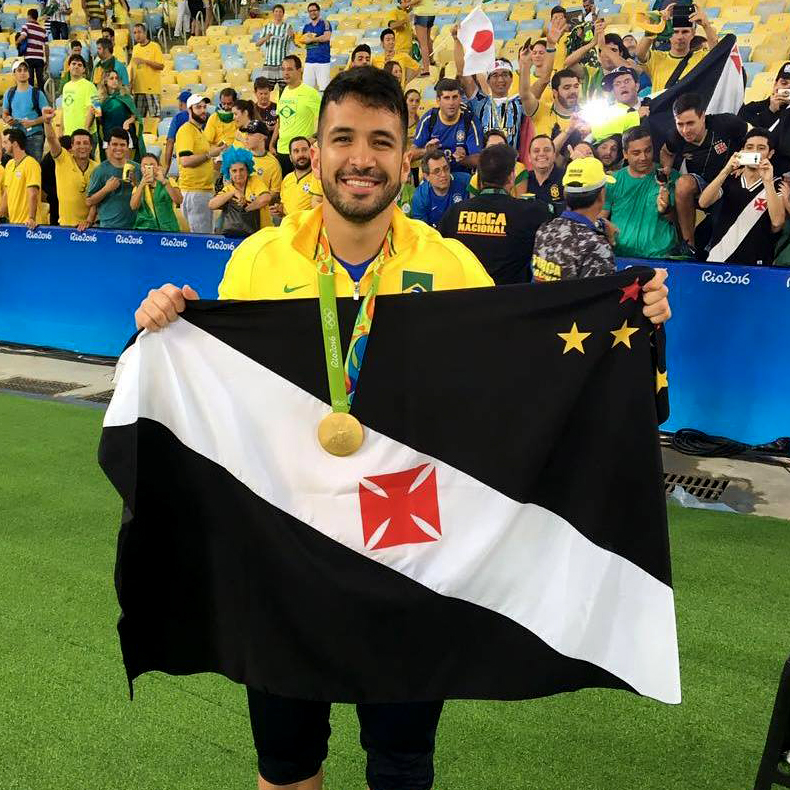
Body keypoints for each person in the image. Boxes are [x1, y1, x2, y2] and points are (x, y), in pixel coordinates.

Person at [132, 66, 671, 790]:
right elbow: (223, 401)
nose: (362, 158)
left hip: (411, 555)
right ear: (315, 152)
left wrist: (628, 319)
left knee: (401, 762)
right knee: (287, 766)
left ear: (405, 157)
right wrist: (165, 326)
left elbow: (512, 389)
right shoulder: (259, 260)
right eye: (344, 138)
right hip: (285, 549)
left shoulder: (450, 265)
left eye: (381, 141)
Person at [439, 144, 552, 283]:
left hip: (466, 298)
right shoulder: (530, 212)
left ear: (479, 178)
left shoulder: (454, 213)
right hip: (512, 300)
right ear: (511, 177)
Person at [661, 92, 749, 255]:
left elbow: (754, 136)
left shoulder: (726, 123)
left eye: (690, 123)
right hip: (702, 183)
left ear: (703, 116)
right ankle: (689, 246)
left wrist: (746, 163)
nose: (685, 130)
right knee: (683, 184)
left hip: (731, 180)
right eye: (680, 124)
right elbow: (666, 152)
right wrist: (666, 168)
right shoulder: (675, 136)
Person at [699, 128, 786, 265]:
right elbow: (703, 202)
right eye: (749, 147)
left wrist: (767, 181)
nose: (754, 152)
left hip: (756, 264)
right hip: (719, 259)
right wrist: (726, 170)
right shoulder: (730, 178)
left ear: (770, 154)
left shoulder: (776, 184)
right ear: (742, 151)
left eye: (761, 148)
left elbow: (777, 222)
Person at [532, 157, 620, 281]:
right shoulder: (595, 246)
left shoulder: (544, 230)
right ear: (601, 195)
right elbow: (601, 297)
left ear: (565, 194)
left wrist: (600, 226)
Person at [600, 125, 679, 259]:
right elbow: (600, 217)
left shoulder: (670, 176)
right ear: (625, 154)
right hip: (621, 258)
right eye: (636, 153)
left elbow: (681, 221)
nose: (643, 157)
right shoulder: (612, 180)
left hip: (662, 258)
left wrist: (666, 209)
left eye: (648, 150)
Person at [454, 37, 540, 151]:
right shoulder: (479, 102)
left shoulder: (518, 102)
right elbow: (462, 73)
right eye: (495, 75)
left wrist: (524, 65)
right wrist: (456, 40)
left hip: (510, 165)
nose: (500, 80)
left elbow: (525, 93)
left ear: (511, 78)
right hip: (484, 163)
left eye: (505, 74)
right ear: (488, 80)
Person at [635, 3, 717, 92]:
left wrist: (706, 26)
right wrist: (656, 24)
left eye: (685, 32)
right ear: (669, 33)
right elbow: (640, 54)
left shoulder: (701, 57)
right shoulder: (656, 58)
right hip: (663, 105)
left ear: (693, 33)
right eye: (675, 32)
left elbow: (718, 53)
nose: (680, 37)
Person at [176, 94, 226, 233]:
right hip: (195, 191)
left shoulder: (200, 131)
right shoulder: (186, 130)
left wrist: (218, 152)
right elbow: (185, 161)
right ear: (189, 110)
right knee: (201, 237)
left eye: (204, 107)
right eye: (198, 107)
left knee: (205, 233)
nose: (203, 110)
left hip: (202, 191)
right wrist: (210, 154)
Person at [411, 78, 482, 175]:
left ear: (460, 98)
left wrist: (462, 159)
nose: (451, 103)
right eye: (446, 98)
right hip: (434, 178)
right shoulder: (429, 119)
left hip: (461, 177)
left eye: (455, 97)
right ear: (438, 100)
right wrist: (426, 151)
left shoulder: (469, 120)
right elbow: (411, 154)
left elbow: (478, 159)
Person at [42, 106, 98, 229]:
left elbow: (98, 201)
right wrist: (47, 122)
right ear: (71, 147)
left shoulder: (97, 168)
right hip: (65, 227)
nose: (82, 146)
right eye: (78, 143)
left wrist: (89, 221)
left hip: (90, 228)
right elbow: (51, 139)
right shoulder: (63, 159)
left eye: (85, 143)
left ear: (91, 147)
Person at [270, 55, 321, 177]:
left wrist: (313, 138)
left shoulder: (310, 93)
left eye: (290, 69)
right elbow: (280, 120)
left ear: (299, 70)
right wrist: (272, 144)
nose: (285, 73)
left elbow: (327, 120)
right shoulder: (282, 92)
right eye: (283, 69)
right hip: (282, 151)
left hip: (301, 153)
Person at [208, 146, 272, 237]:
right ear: (229, 172)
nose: (238, 174)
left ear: (248, 169)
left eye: (242, 169)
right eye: (234, 171)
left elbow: (266, 198)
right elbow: (211, 205)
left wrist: (246, 209)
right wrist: (233, 193)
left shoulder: (254, 180)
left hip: (262, 234)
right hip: (236, 236)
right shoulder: (228, 189)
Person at [86, 127, 141, 228]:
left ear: (128, 147)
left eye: (122, 145)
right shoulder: (100, 171)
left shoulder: (138, 168)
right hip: (109, 229)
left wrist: (136, 184)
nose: (118, 148)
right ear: (109, 146)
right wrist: (106, 189)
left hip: (137, 228)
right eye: (115, 144)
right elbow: (89, 201)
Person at [88, 69, 145, 162]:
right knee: (110, 163)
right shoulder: (97, 99)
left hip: (125, 134)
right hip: (108, 135)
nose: (115, 80)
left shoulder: (125, 96)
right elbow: (99, 122)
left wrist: (128, 122)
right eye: (111, 78)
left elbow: (135, 115)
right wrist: (95, 113)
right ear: (105, 81)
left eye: (116, 78)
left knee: (126, 163)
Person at [530, 69, 586, 158]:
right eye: (567, 87)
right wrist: (569, 130)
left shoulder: (587, 115)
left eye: (576, 86)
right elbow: (526, 96)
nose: (573, 91)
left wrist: (588, 137)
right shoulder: (541, 109)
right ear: (555, 92)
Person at [1, 60, 49, 163]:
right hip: (16, 137)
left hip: (35, 136)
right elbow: (5, 113)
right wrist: (7, 119)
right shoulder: (9, 93)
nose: (23, 72)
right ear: (14, 74)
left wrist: (33, 122)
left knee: (34, 166)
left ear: (29, 73)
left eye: (25, 70)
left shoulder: (37, 93)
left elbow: (47, 116)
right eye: (19, 70)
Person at [410, 148, 470, 227]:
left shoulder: (466, 181)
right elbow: (422, 231)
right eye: (437, 171)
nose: (443, 175)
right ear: (426, 176)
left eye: (446, 169)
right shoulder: (420, 196)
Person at [271, 135, 323, 218]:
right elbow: (284, 208)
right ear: (290, 157)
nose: (301, 154)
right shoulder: (287, 179)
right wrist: (279, 210)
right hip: (288, 227)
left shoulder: (319, 177)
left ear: (312, 153)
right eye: (296, 151)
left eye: (304, 150)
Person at [243, 119, 282, 227]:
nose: (246, 137)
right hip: (240, 209)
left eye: (251, 134)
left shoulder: (273, 163)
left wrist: (259, 201)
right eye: (247, 133)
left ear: (262, 137)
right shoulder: (241, 157)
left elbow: (275, 191)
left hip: (262, 210)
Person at [130, 152, 183, 232]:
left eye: (152, 164)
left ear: (158, 167)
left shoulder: (169, 181)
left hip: (168, 228)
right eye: (145, 165)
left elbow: (179, 200)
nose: (149, 167)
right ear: (141, 169)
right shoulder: (138, 186)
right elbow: (133, 206)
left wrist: (164, 181)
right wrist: (141, 185)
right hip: (145, 229)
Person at [0, 127, 41, 228]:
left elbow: (33, 194)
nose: (2, 146)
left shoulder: (31, 163)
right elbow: (6, 193)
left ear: (15, 144)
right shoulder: (9, 164)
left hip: (29, 225)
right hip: (14, 223)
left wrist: (31, 218)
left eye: (5, 142)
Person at [468, 129, 528, 197]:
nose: (498, 151)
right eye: (492, 147)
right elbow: (473, 204)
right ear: (483, 151)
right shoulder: (475, 179)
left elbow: (521, 202)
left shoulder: (518, 169)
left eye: (501, 146)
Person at [738, 62, 790, 132]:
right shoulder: (751, 109)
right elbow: (753, 135)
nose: (787, 88)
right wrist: (771, 111)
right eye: (784, 83)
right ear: (775, 84)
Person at [130, 23, 165, 119]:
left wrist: (144, 61)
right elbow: (133, 67)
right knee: (138, 118)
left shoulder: (154, 46)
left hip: (152, 89)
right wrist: (131, 83)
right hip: (138, 89)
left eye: (139, 32)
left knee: (155, 117)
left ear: (145, 33)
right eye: (135, 33)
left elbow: (161, 66)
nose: (137, 35)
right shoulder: (135, 48)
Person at [257, 4, 293, 90]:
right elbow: (258, 43)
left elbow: (295, 43)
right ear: (273, 13)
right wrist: (266, 37)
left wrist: (292, 36)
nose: (278, 13)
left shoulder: (288, 27)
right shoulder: (267, 27)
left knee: (285, 90)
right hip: (269, 64)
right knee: (266, 90)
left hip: (283, 64)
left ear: (283, 14)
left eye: (280, 11)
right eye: (276, 11)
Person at [527, 134, 565, 215]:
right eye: (536, 151)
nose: (541, 154)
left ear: (554, 155)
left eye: (547, 150)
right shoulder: (524, 180)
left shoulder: (566, 178)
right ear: (529, 157)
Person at [61, 55, 98, 139]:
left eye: (79, 65)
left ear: (84, 70)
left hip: (85, 135)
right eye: (73, 64)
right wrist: (61, 131)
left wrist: (86, 131)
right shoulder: (66, 86)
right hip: (68, 134)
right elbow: (64, 110)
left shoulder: (90, 86)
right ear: (69, 67)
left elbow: (96, 109)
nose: (76, 66)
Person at [302, 2, 332, 92]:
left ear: (318, 11)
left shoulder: (325, 23)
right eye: (310, 11)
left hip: (323, 62)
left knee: (324, 90)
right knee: (307, 90)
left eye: (314, 10)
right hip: (309, 62)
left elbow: (326, 37)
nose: (312, 12)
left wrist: (312, 40)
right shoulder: (306, 27)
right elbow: (302, 41)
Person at [17, 9, 48, 92]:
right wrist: (47, 60)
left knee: (29, 81)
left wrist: (17, 42)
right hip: (40, 58)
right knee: (40, 81)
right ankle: (42, 100)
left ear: (29, 16)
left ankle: (31, 101)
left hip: (29, 57)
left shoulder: (26, 26)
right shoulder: (43, 30)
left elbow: (23, 37)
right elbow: (47, 47)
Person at [162, 90, 191, 172]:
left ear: (181, 103)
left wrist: (167, 166)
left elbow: (170, 141)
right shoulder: (201, 116)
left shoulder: (178, 118)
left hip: (183, 157)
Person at [412, 0, 435, 76]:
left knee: (423, 43)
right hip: (431, 11)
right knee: (428, 39)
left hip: (421, 13)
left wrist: (407, 4)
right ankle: (431, 60)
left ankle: (426, 69)